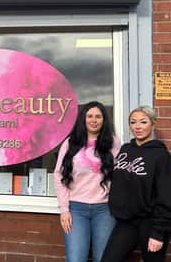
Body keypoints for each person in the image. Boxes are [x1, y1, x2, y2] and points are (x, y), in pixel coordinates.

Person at [101, 106, 171, 262]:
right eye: (133, 122)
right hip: (126, 222)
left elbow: (169, 197)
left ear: (153, 124)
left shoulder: (162, 157)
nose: (137, 126)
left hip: (151, 223)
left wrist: (158, 233)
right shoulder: (125, 150)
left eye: (143, 122)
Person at [54, 101, 121, 262]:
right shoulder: (71, 143)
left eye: (98, 116)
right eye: (89, 116)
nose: (94, 120)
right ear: (83, 119)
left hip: (105, 210)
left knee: (102, 258)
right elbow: (58, 175)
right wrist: (64, 209)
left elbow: (120, 175)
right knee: (76, 259)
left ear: (104, 120)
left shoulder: (113, 143)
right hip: (76, 209)